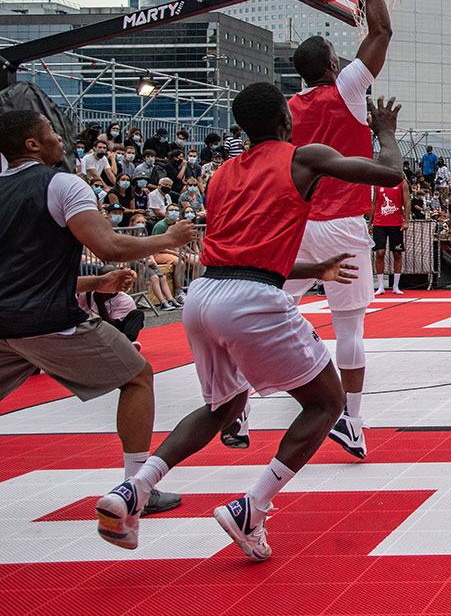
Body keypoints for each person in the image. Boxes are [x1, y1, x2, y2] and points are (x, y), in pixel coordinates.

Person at [95, 84, 403, 556]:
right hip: (250, 298)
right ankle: (251, 509)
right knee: (326, 404)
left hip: (203, 295)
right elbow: (389, 174)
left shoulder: (220, 175)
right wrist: (384, 132)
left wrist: (312, 269)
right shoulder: (303, 157)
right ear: (285, 118)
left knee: (223, 406)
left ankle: (133, 488)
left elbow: (244, 254)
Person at [0, 109, 197, 518]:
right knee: (138, 375)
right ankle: (137, 487)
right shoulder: (61, 185)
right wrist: (169, 237)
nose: (60, 137)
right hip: (47, 321)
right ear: (32, 144)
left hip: (5, 323)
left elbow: (21, 273)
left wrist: (94, 284)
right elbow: (108, 245)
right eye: (51, 131)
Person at [281, 0, 393, 461]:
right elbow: (382, 29)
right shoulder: (346, 87)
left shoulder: (288, 108)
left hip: (298, 223)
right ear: (330, 65)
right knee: (349, 325)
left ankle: (236, 401)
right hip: (344, 220)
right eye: (334, 52)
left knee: (273, 306)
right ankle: (353, 421)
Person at [127, 214, 180, 310]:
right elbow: (131, 253)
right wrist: (145, 260)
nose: (141, 224)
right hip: (139, 262)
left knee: (163, 278)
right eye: (138, 222)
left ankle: (170, 299)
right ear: (131, 223)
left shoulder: (144, 235)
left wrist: (152, 259)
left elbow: (149, 250)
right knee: (155, 278)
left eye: (143, 222)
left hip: (149, 261)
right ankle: (162, 302)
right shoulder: (128, 237)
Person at [369, 179, 410, 295]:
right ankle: (380, 286)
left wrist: (406, 221)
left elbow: (407, 202)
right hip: (379, 223)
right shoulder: (377, 183)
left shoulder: (401, 183)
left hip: (396, 223)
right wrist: (370, 222)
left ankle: (395, 286)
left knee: (397, 253)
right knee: (380, 252)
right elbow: (374, 203)